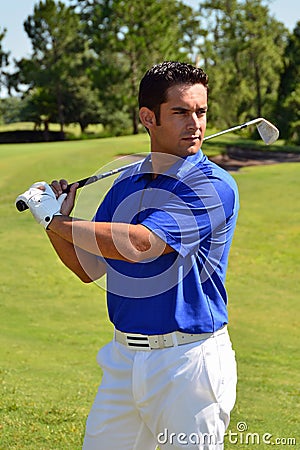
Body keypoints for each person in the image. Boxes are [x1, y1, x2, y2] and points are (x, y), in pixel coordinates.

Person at [16, 61, 239, 449]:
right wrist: (57, 223)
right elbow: (89, 267)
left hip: (188, 364)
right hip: (123, 359)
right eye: (181, 112)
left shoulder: (213, 185)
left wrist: (54, 221)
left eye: (201, 111)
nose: (196, 124)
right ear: (148, 117)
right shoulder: (127, 183)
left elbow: (140, 245)